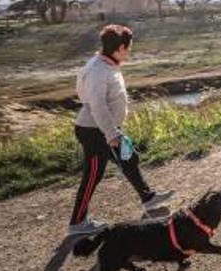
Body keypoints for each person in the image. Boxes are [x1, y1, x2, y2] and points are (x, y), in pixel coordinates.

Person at [68, 24, 174, 236]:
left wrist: (113, 129)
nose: (130, 51)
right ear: (120, 48)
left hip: (106, 128)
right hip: (94, 131)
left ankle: (148, 198)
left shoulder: (105, 64)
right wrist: (111, 133)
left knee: (129, 159)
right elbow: (96, 104)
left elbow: (85, 92)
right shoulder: (98, 70)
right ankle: (77, 223)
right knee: (92, 176)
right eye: (129, 47)